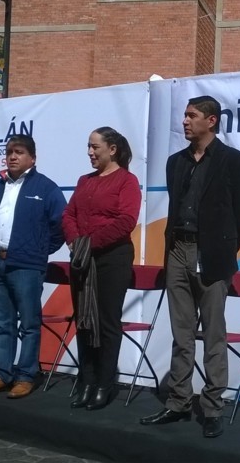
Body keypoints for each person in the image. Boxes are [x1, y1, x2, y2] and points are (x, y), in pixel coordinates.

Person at [140, 96, 240, 437]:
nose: (185, 121)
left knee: (214, 334)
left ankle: (212, 407)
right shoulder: (176, 162)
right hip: (178, 250)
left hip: (211, 255)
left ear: (212, 120)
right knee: (181, 333)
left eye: (192, 116)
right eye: (185, 115)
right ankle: (178, 401)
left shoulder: (233, 160)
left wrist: (223, 247)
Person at [0, 134, 66, 399]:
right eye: (9, 152)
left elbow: (60, 225)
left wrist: (38, 250)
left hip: (27, 266)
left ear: (32, 158)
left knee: (29, 324)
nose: (12, 156)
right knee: (2, 324)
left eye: (19, 152)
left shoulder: (46, 188)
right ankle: (3, 374)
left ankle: (26, 376)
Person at [62, 127, 141, 411]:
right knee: (83, 320)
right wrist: (76, 242)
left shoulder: (127, 181)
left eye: (95, 147)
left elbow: (126, 221)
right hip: (82, 259)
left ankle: (104, 384)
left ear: (112, 149)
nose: (90, 152)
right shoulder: (85, 181)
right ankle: (86, 380)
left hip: (112, 259)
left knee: (106, 322)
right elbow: (69, 214)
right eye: (89, 146)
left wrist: (89, 243)